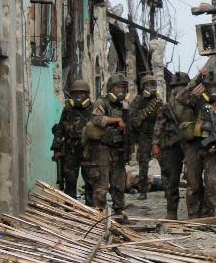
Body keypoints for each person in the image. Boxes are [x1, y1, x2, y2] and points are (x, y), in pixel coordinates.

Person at [178, 62, 216, 218]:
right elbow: (180, 98)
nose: (213, 90)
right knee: (193, 184)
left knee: (212, 184)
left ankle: (209, 217)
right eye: (210, 86)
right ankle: (194, 217)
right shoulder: (197, 99)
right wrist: (196, 80)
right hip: (194, 147)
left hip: (215, 149)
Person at [83, 72, 129, 215]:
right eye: (117, 88)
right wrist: (116, 121)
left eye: (123, 88)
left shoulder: (125, 106)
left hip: (119, 148)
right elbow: (96, 119)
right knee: (101, 181)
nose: (120, 91)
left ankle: (119, 209)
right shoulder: (102, 102)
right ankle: (99, 210)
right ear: (111, 88)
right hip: (102, 147)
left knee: (118, 181)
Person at [152, 71, 191, 219]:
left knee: (193, 179)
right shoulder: (166, 107)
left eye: (182, 87)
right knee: (171, 178)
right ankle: (171, 211)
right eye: (176, 87)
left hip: (189, 144)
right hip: (171, 145)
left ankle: (195, 212)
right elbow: (158, 126)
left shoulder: (192, 104)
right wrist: (155, 144)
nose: (178, 90)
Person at [51, 79, 94, 205]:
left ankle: (90, 207)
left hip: (88, 150)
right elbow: (60, 130)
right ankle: (70, 208)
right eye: (76, 94)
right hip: (70, 150)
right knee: (69, 180)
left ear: (87, 95)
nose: (79, 97)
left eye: (81, 94)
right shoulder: (68, 110)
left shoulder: (93, 109)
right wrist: (57, 149)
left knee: (90, 181)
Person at [130, 74, 163, 199]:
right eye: (148, 85)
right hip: (144, 136)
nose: (151, 87)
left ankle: (168, 190)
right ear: (143, 86)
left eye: (153, 84)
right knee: (143, 163)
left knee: (163, 162)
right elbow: (131, 118)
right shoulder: (138, 100)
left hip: (157, 135)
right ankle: (142, 191)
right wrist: (138, 122)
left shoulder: (158, 101)